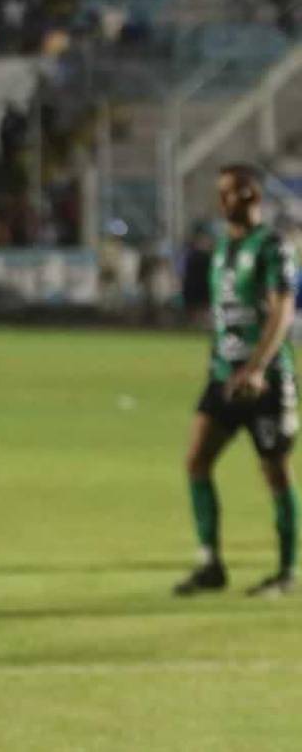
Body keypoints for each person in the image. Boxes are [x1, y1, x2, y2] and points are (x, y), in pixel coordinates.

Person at [174, 164, 298, 598]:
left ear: (254, 196)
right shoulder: (223, 248)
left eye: (236, 192)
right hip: (225, 378)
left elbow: (282, 310)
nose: (227, 201)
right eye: (223, 193)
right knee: (196, 461)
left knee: (275, 472)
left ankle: (286, 572)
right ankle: (210, 563)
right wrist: (220, 365)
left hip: (266, 381)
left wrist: (259, 366)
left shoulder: (271, 246)